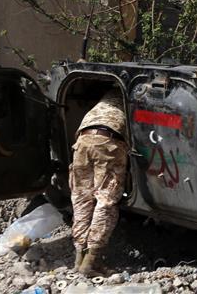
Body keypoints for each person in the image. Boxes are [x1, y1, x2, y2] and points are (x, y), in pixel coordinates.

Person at [70, 90, 129, 276]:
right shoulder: (132, 94)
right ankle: (91, 262)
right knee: (105, 201)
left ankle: (79, 259)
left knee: (81, 199)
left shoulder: (107, 96)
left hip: (82, 141)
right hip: (109, 143)